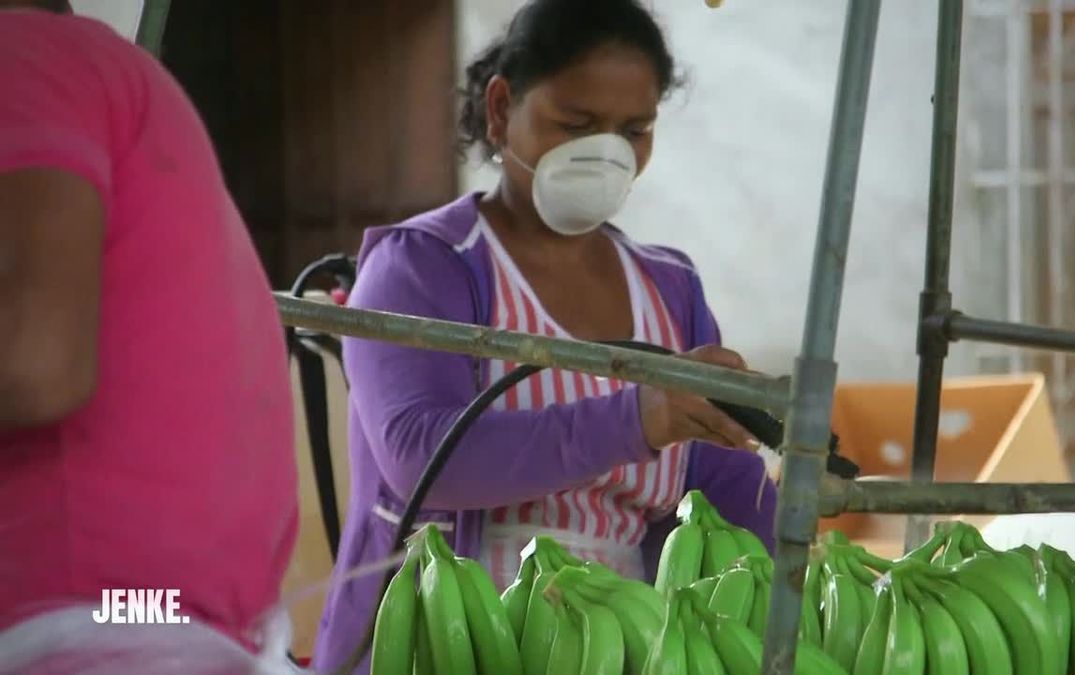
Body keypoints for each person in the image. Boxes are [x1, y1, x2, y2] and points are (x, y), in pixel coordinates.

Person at [312, 0, 778, 670]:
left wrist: (797, 515)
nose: (606, 153)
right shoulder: (425, 267)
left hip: (617, 647)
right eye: (577, 124)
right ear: (502, 110)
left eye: (634, 130)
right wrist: (636, 417)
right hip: (444, 645)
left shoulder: (669, 288)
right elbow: (420, 457)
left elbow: (721, 485)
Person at [0, 2, 298, 672]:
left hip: (94, 621)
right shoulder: (113, 77)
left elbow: (35, 360)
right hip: (152, 615)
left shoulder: (25, 54)